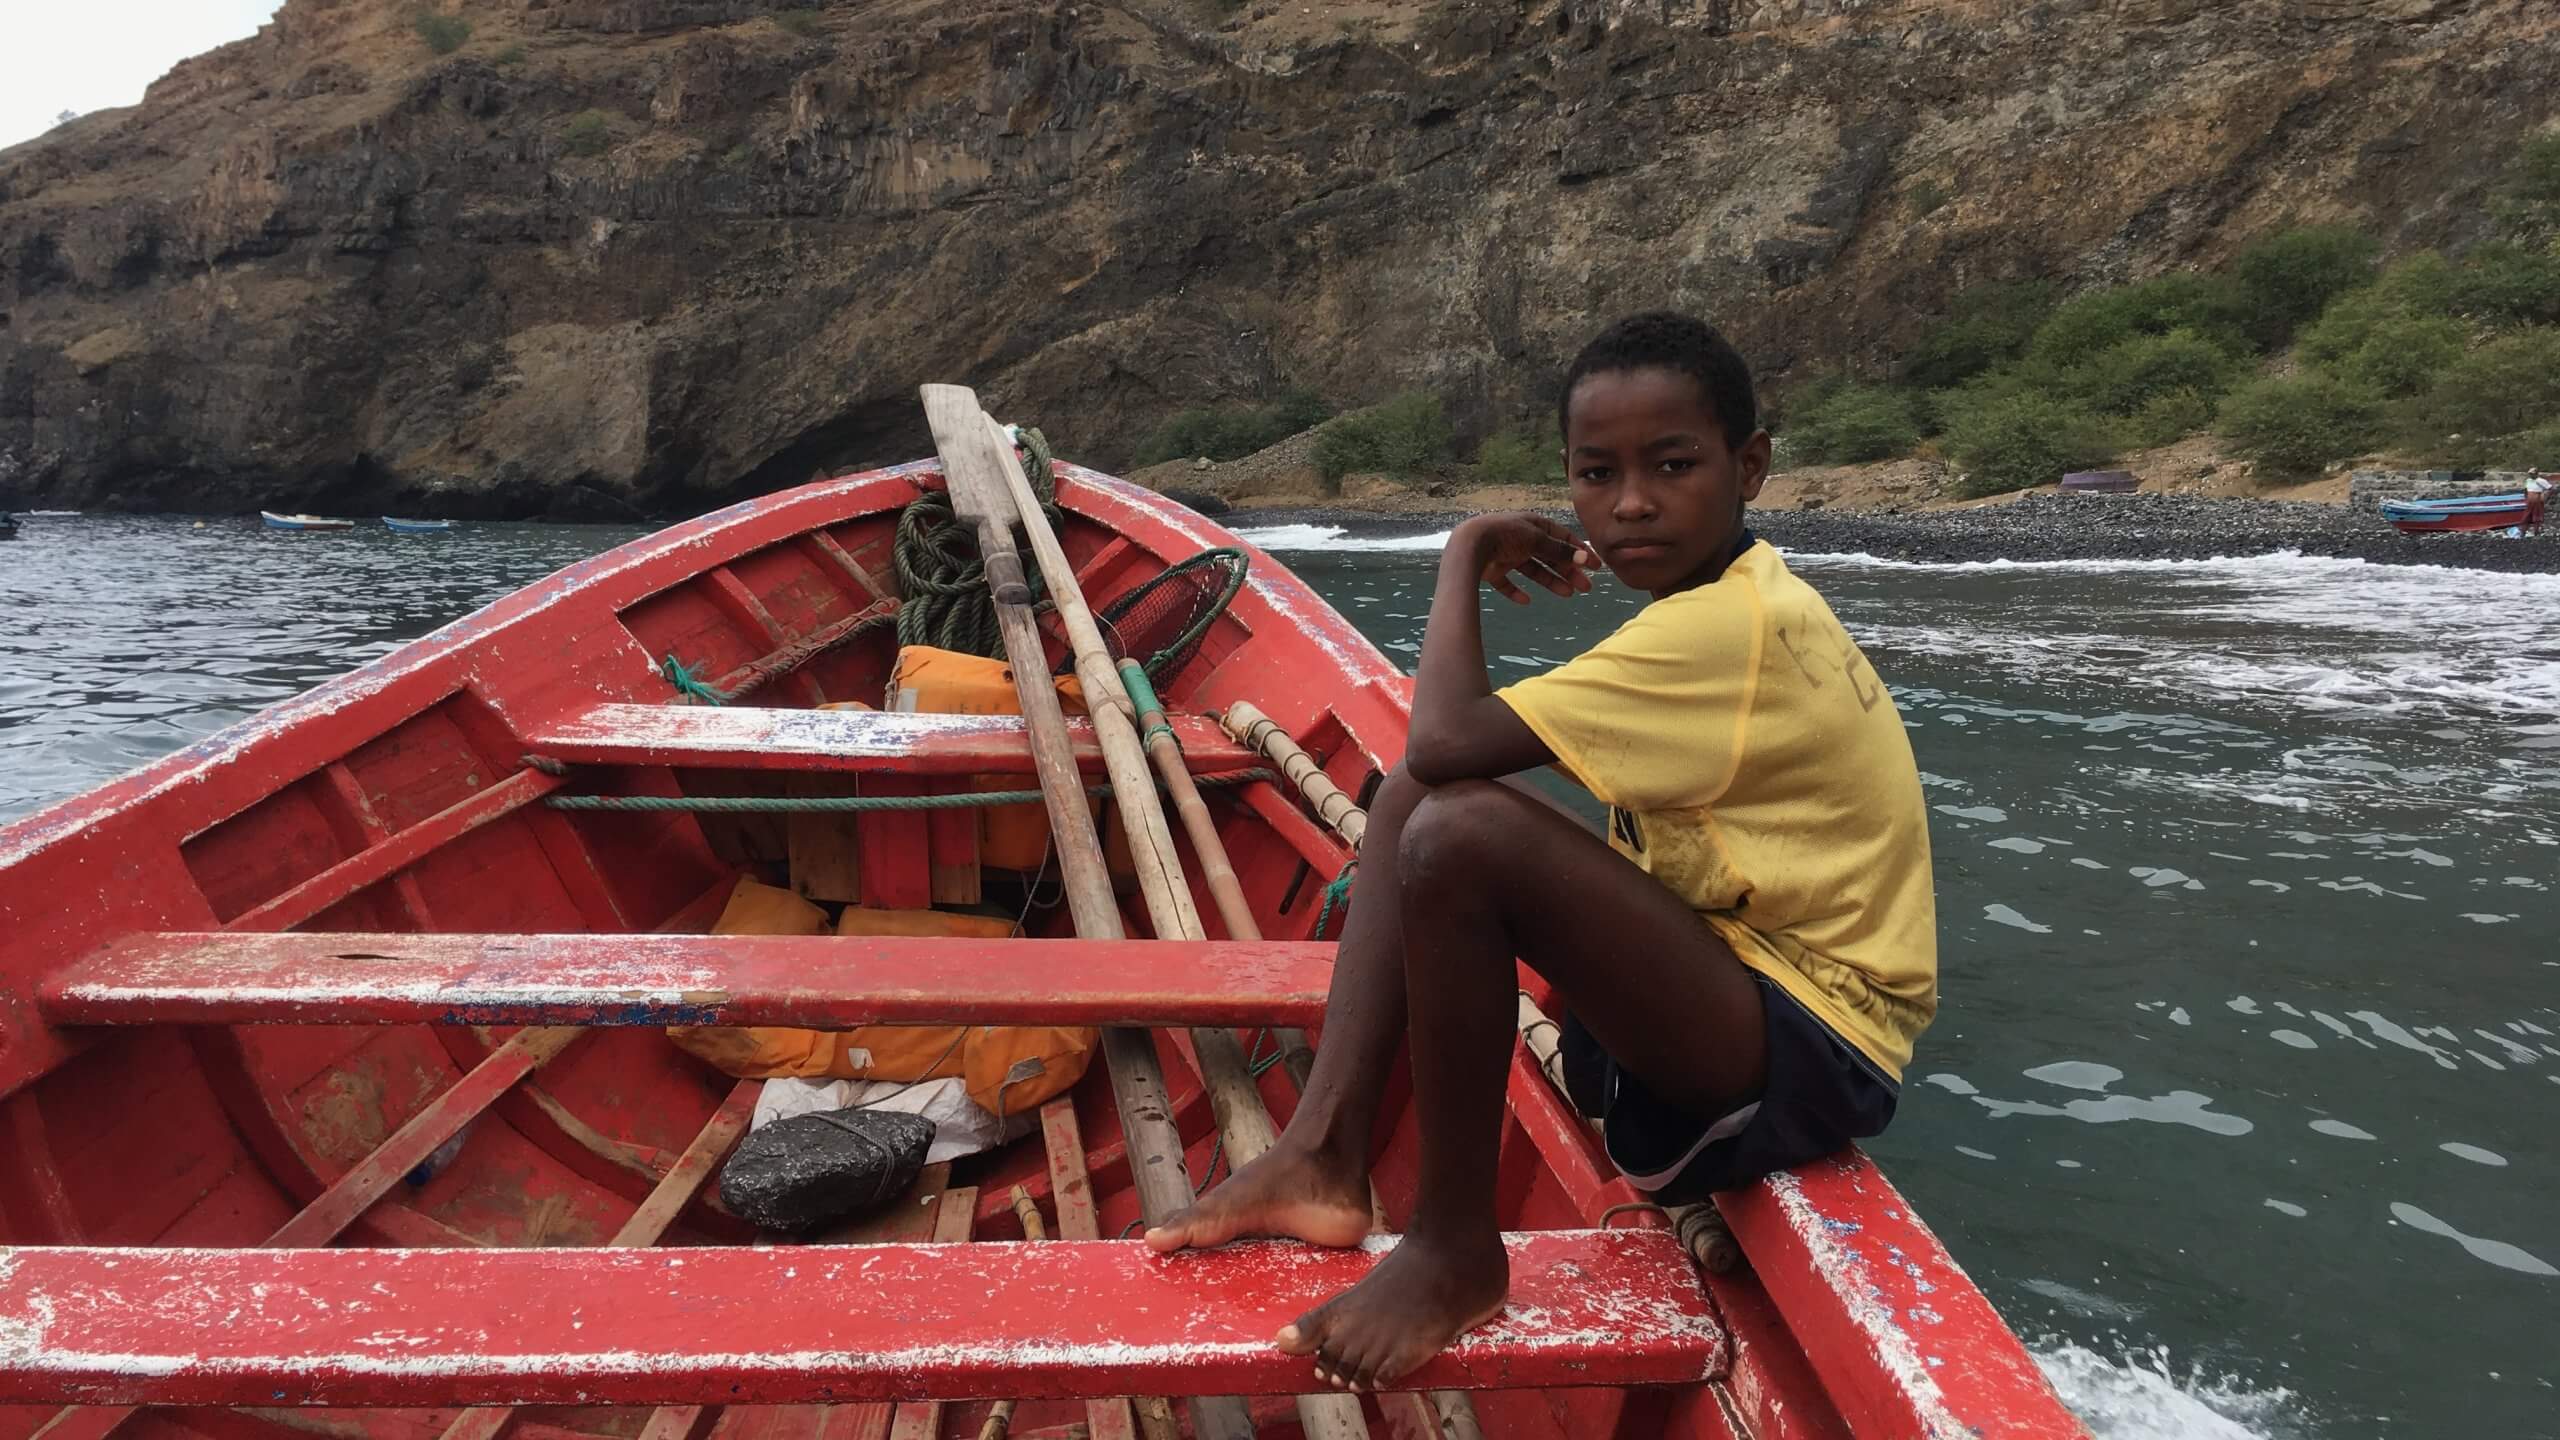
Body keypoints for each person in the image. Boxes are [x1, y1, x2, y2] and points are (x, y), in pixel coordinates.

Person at [1146, 312, 1939, 1390]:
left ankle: (1455, 1249)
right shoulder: (1734, 599)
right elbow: (1438, 756)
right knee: (1429, 800)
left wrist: (1465, 550)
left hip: (1811, 1052)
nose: (1630, 504)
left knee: (1459, 828)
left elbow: (1442, 733)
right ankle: (1324, 1150)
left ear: (1749, 466)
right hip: (1745, 993)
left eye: (1673, 465)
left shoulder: (1724, 629)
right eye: (1594, 473)